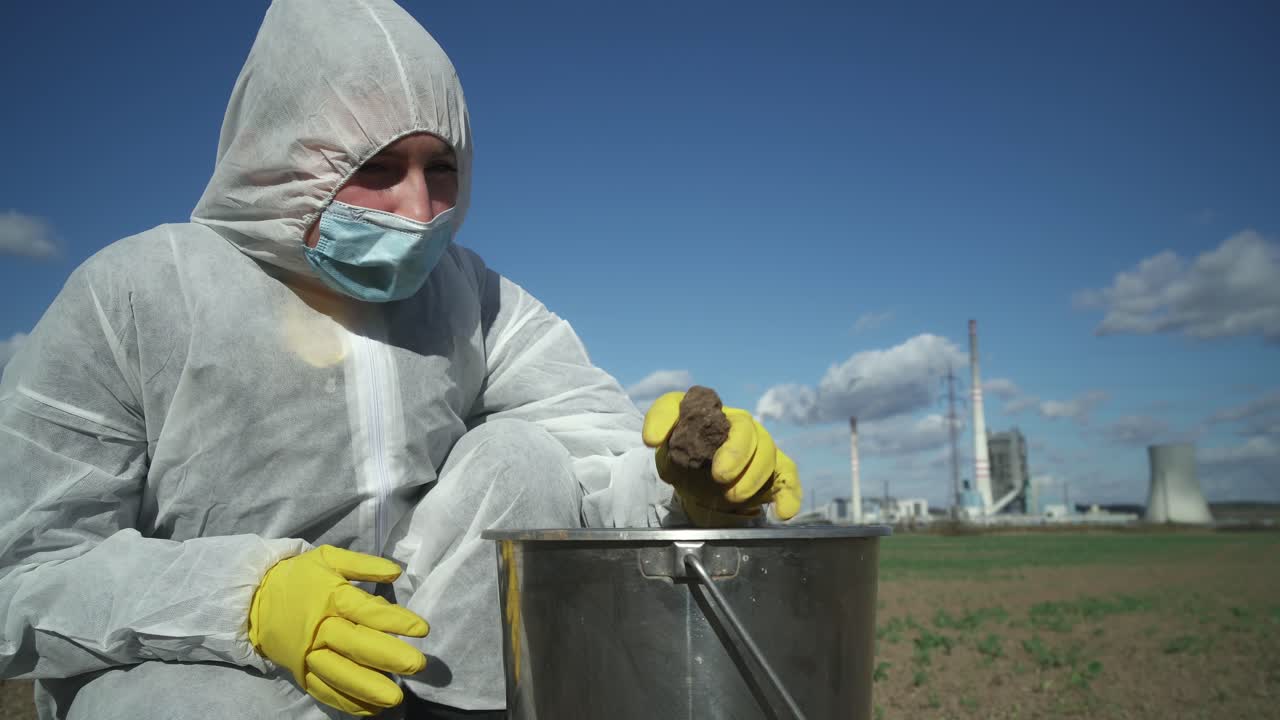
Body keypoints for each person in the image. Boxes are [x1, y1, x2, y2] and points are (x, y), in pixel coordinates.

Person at [0, 1, 802, 718]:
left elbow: (591, 469)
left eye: (441, 169)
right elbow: (23, 571)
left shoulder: (471, 299)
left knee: (522, 454)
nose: (419, 211)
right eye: (377, 169)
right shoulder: (137, 295)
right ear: (277, 158)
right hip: (193, 672)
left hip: (423, 681)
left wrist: (682, 488)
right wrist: (245, 600)